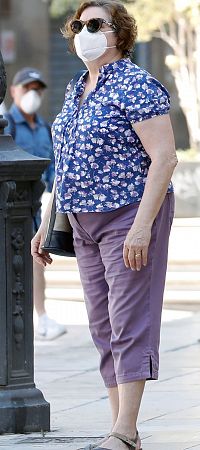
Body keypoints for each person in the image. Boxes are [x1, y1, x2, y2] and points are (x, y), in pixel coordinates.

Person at [31, 1, 177, 449]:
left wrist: (141, 228)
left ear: (121, 32)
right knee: (101, 324)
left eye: (96, 24)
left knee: (128, 320)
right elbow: (69, 162)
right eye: (79, 25)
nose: (85, 32)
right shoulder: (77, 86)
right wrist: (48, 222)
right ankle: (119, 427)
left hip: (129, 214)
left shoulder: (136, 85)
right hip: (81, 220)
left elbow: (165, 158)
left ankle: (125, 430)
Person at [8, 67, 67, 340]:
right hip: (10, 206)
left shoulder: (44, 128)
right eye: (26, 88)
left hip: (38, 206)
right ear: (13, 91)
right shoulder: (5, 124)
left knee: (35, 260)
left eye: (37, 89)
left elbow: (55, 165)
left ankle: (41, 317)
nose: (32, 94)